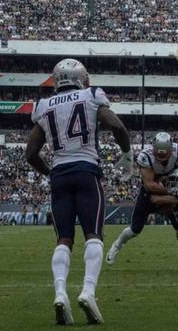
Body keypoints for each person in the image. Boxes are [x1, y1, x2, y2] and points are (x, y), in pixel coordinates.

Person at [25, 58, 132, 326]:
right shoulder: (92, 94)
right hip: (86, 170)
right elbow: (117, 126)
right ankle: (87, 291)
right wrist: (127, 154)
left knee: (64, 239)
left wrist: (51, 173)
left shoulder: (42, 105)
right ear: (82, 78)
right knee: (93, 235)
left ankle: (60, 294)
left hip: (60, 174)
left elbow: (31, 153)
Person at [107, 131, 178, 265]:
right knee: (135, 229)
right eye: (159, 153)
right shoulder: (146, 156)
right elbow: (149, 185)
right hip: (149, 193)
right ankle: (117, 245)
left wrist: (175, 181)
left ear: (170, 149)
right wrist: (170, 189)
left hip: (168, 189)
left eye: (164, 154)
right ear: (154, 148)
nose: (161, 157)